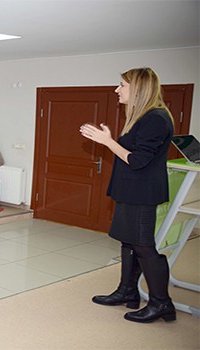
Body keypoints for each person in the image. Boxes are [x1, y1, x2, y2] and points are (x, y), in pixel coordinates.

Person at [80, 67, 176, 323]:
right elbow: (131, 153)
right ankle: (127, 291)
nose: (117, 90)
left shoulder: (155, 118)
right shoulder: (143, 117)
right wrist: (113, 140)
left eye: (121, 85)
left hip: (142, 194)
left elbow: (138, 161)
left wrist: (108, 142)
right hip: (130, 191)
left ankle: (161, 303)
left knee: (144, 247)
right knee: (128, 242)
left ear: (138, 89)